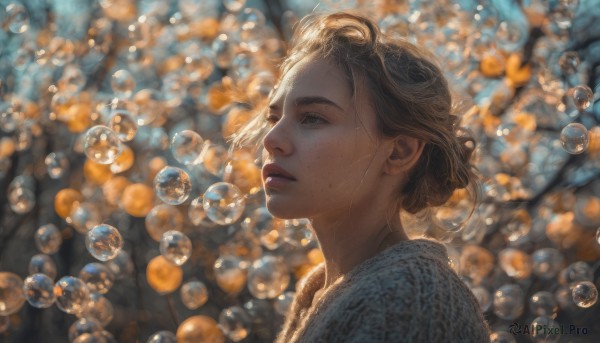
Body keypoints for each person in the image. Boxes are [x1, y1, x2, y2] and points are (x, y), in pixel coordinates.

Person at [234, 11, 491, 343]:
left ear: (399, 152)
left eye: (312, 118)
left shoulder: (408, 301)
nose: (271, 141)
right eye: (274, 118)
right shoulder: (332, 292)